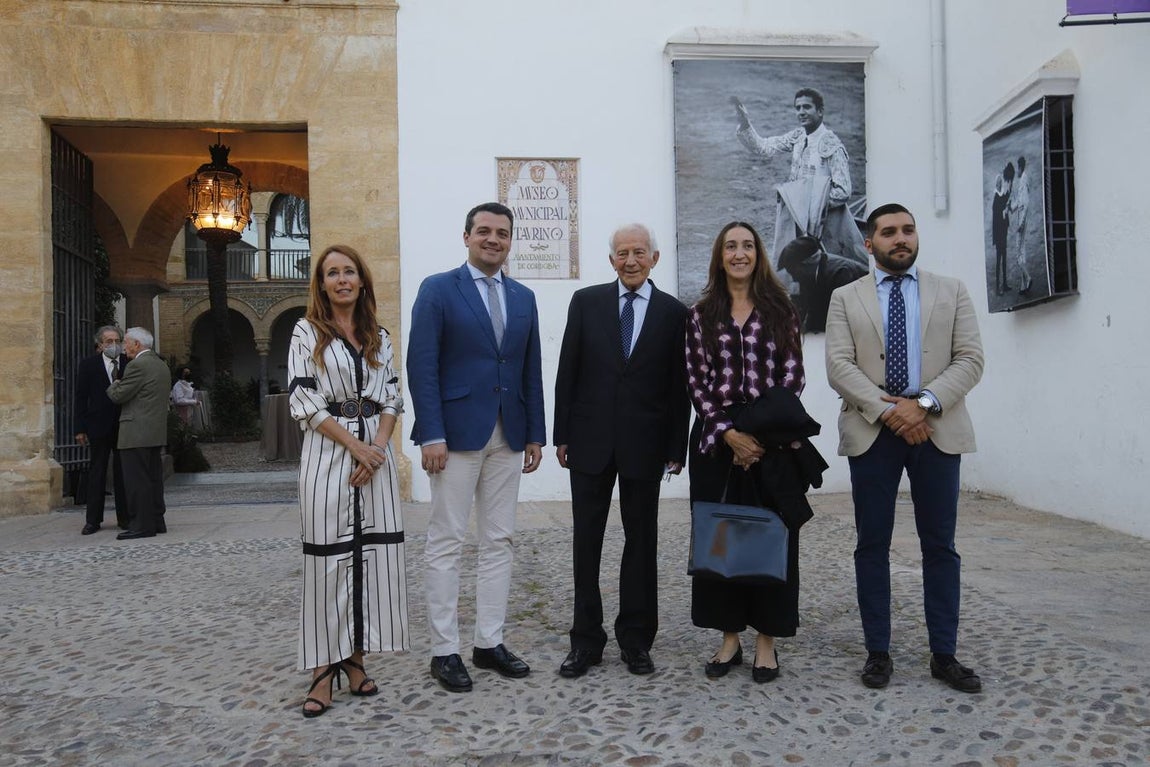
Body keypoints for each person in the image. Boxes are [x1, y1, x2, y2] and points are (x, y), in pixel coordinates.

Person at [825, 203, 985, 694]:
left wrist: (925, 404)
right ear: (869, 243)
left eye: (908, 230)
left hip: (936, 432)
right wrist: (892, 411)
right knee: (871, 543)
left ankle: (944, 654)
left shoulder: (951, 290)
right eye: (889, 232)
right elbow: (839, 365)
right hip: (874, 433)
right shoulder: (844, 297)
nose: (901, 239)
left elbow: (971, 359)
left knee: (940, 545)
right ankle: (878, 651)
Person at [407, 201, 546, 693]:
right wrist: (431, 432)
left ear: (511, 241)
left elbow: (530, 367)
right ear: (466, 236)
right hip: (455, 436)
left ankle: (489, 642)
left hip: (508, 435)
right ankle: (444, 651)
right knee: (446, 540)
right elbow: (422, 365)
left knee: (499, 540)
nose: (493, 239)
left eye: (502, 233)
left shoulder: (525, 297)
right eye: (484, 231)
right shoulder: (439, 289)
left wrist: (535, 432)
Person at [553, 223, 690, 678]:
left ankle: (636, 639)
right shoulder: (586, 303)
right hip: (589, 442)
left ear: (654, 258)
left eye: (638, 252)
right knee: (585, 543)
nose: (630, 260)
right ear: (610, 260)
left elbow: (678, 385)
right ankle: (585, 641)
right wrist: (562, 434)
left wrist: (676, 445)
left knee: (641, 543)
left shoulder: (674, 313)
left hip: (645, 445)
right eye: (621, 253)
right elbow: (567, 369)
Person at [684, 221, 810, 683]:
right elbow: (697, 382)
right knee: (722, 543)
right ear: (720, 256)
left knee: (772, 541)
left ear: (759, 255)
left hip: (771, 445)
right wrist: (729, 434)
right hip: (717, 447)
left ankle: (766, 642)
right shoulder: (700, 315)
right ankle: (729, 638)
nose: (740, 253)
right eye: (731, 246)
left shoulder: (782, 310)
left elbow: (792, 377)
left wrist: (755, 435)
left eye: (748, 246)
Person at [287, 244, 408, 718]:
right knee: (326, 561)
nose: (341, 279)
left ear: (362, 281)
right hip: (327, 456)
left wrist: (376, 450)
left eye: (349, 272)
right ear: (321, 284)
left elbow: (393, 397)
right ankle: (322, 670)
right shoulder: (305, 331)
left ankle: (356, 659)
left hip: (372, 462)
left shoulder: (379, 335)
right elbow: (304, 400)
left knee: (367, 559)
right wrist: (356, 447)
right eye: (332, 273)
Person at [734, 87, 869, 275]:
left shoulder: (831, 144)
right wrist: (745, 123)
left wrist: (810, 204)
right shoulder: (798, 137)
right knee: (796, 270)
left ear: (820, 111)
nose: (801, 112)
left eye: (807, 107)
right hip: (798, 217)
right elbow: (764, 148)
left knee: (834, 270)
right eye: (798, 108)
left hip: (825, 221)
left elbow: (843, 191)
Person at [106, 327, 170, 541]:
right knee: (153, 479)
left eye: (126, 342)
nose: (123, 347)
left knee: (136, 481)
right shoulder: (160, 364)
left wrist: (114, 384)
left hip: (135, 432)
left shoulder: (137, 365)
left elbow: (119, 395)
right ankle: (156, 520)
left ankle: (142, 525)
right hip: (153, 431)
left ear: (137, 344)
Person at [73, 325, 128, 535]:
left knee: (123, 472)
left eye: (116, 341)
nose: (113, 345)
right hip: (97, 425)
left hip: (123, 424)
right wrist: (79, 428)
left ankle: (125, 517)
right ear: (100, 344)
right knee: (97, 471)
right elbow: (80, 398)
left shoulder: (128, 363)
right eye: (108, 341)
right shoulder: (88, 365)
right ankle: (93, 520)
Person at [776, 234, 868, 333]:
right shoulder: (810, 274)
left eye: (793, 271)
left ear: (808, 263)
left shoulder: (841, 274)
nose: (793, 277)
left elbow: (843, 316)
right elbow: (810, 307)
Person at [1010, 156, 1032, 294]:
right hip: (1021, 218)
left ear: (1019, 168)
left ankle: (1028, 278)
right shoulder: (1023, 179)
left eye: (1017, 169)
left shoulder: (1023, 181)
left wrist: (1021, 223)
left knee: (1018, 252)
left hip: (1022, 221)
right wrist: (1011, 207)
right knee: (1021, 251)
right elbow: (1019, 201)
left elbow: (1025, 202)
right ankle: (1023, 286)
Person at [991, 162, 1014, 296]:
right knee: (999, 259)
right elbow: (998, 215)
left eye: (1001, 182)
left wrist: (1009, 185)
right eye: (999, 182)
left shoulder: (999, 196)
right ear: (997, 184)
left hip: (1002, 233)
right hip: (999, 234)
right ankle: (998, 287)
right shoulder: (996, 198)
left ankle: (1004, 284)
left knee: (1003, 258)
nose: (1001, 184)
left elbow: (1006, 196)